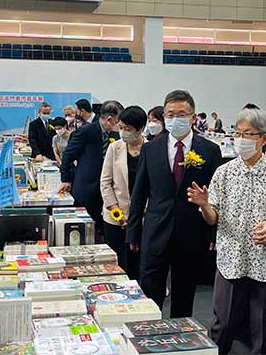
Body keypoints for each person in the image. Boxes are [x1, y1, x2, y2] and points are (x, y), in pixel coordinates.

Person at [189, 107, 266, 355]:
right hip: (231, 257)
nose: (241, 139)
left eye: (247, 134)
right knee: (223, 322)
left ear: (263, 138)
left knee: (264, 326)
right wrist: (204, 205)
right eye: (237, 133)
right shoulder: (224, 172)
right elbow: (212, 219)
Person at [126, 90, 223, 318]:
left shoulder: (210, 150)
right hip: (155, 230)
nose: (175, 119)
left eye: (181, 114)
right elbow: (139, 194)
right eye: (170, 114)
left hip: (191, 232)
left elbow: (218, 197)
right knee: (150, 292)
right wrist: (133, 231)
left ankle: (180, 336)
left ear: (192, 117)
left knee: (184, 295)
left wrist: (214, 233)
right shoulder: (151, 149)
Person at [59, 100, 124, 235]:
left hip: (108, 190)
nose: (120, 124)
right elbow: (68, 155)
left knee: (104, 229)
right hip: (87, 188)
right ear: (110, 119)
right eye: (118, 120)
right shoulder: (87, 131)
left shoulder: (116, 135)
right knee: (86, 231)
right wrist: (66, 179)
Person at [100, 106, 147, 281]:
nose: (123, 132)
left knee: (138, 265)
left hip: (142, 218)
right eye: (121, 127)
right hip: (115, 216)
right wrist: (117, 213)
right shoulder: (115, 148)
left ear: (140, 129)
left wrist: (138, 215)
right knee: (117, 264)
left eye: (128, 129)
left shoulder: (151, 149)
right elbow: (105, 182)